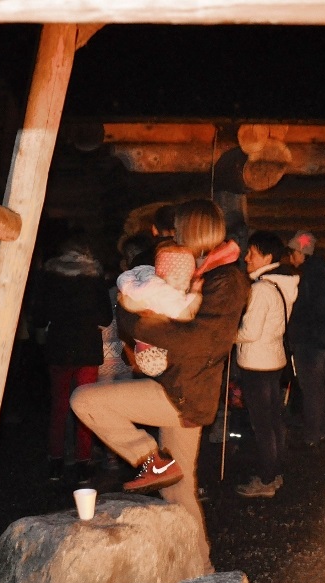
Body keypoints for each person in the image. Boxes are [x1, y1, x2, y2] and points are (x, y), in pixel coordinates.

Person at [71, 199, 249, 531]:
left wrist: (141, 321)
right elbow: (127, 313)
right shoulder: (184, 266)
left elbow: (202, 340)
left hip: (185, 392)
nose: (173, 234)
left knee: (85, 399)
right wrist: (133, 308)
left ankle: (149, 458)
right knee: (178, 492)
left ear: (191, 229)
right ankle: (198, 559)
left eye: (178, 228)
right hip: (175, 383)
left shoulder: (226, 279)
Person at [32, 237, 113, 483]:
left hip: (59, 346)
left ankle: (56, 461)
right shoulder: (94, 274)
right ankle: (83, 463)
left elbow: (39, 316)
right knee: (85, 403)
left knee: (59, 405)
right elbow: (106, 318)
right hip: (87, 347)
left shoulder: (50, 275)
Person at [234, 231, 298, 498]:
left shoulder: (261, 289)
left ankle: (266, 479)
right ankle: (275, 472)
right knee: (274, 420)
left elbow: (250, 332)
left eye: (252, 253)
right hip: (273, 360)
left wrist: (226, 334)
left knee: (262, 425)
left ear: (268, 257)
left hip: (256, 363)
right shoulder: (281, 283)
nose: (247, 258)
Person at [116, 243, 203, 377]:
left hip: (146, 339)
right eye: (177, 277)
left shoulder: (153, 283)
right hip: (152, 343)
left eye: (186, 278)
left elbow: (127, 285)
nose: (181, 283)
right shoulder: (165, 294)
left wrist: (128, 289)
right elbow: (185, 314)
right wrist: (196, 293)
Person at [284, 230, 325, 448]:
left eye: (293, 252)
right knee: (317, 386)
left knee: (310, 387)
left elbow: (308, 310)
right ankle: (322, 428)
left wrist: (296, 330)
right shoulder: (321, 272)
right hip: (318, 339)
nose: (291, 257)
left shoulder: (309, 276)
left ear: (302, 253)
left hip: (309, 340)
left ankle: (313, 433)